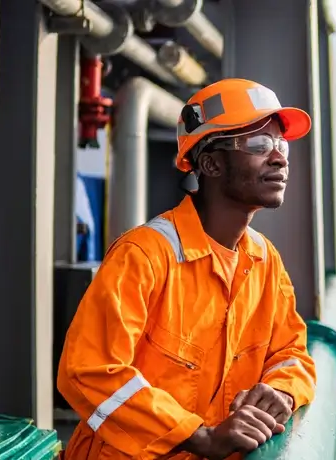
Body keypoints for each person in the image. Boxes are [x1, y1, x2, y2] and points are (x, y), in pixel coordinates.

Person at [57, 78, 317, 460]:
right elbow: (89, 371)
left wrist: (281, 391)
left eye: (281, 144)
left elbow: (291, 353)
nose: (279, 157)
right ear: (210, 163)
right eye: (259, 145)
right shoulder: (144, 255)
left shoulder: (263, 260)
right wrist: (200, 437)